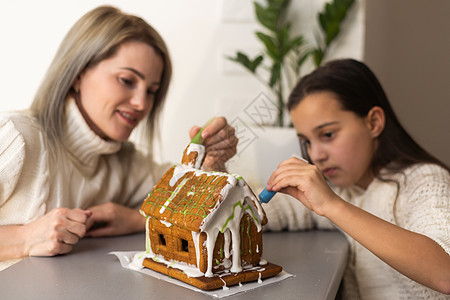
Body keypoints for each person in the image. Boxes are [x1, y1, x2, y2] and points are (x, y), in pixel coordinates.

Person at [0, 6, 237, 271]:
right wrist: (23, 239)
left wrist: (211, 166)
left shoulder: (126, 164)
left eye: (151, 91)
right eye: (126, 80)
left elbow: (244, 210)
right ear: (78, 74)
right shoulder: (15, 138)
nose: (141, 103)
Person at [262, 59, 450, 298]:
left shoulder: (425, 180)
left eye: (328, 134)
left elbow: (446, 272)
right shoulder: (348, 190)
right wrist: (214, 168)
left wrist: (332, 205)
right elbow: (266, 211)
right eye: (307, 141)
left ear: (373, 123)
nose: (316, 154)